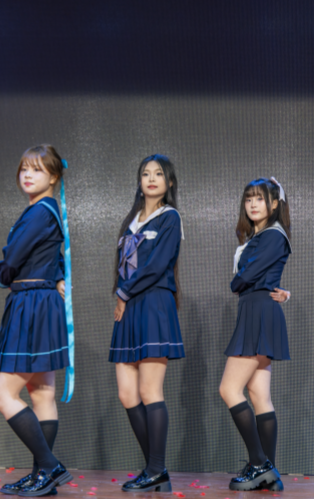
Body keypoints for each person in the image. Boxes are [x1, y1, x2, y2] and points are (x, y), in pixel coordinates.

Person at [0, 145, 74, 498]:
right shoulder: (48, 209)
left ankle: (49, 466)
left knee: (2, 393)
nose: (27, 174)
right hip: (42, 301)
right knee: (41, 392)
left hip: (31, 304)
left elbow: (11, 260)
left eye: (37, 169)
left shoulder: (40, 211)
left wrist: (4, 273)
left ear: (53, 176)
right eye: (24, 168)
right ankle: (42, 475)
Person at [110, 154, 184, 493]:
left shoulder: (170, 217)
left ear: (169, 182)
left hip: (153, 303)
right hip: (128, 306)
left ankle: (155, 470)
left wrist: (123, 293)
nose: (151, 179)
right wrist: (122, 295)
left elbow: (156, 266)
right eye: (145, 173)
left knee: (149, 390)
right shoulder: (132, 220)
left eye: (158, 174)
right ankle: (156, 469)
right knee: (127, 394)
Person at [218, 177, 292, 491]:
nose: (252, 204)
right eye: (248, 198)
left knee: (229, 389)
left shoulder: (273, 235)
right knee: (259, 395)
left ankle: (259, 463)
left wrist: (239, 281)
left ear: (274, 204)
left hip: (258, 312)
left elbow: (243, 278)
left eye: (259, 198)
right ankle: (268, 472)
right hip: (258, 310)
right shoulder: (261, 236)